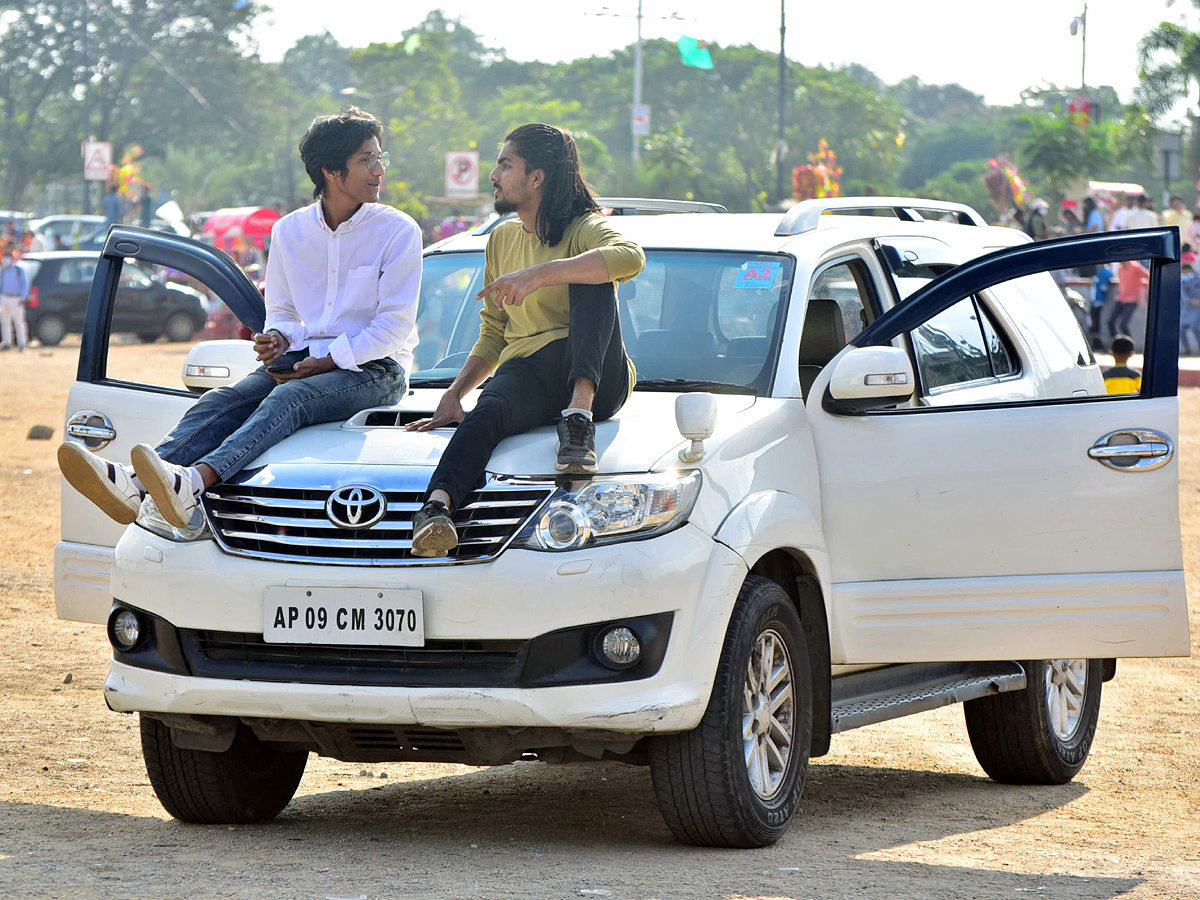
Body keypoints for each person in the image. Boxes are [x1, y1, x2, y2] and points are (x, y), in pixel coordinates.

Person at [57, 106, 421, 529]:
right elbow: (283, 311)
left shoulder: (399, 231)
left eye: (380, 158)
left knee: (288, 399)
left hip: (377, 369)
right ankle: (135, 482)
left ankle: (193, 483)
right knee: (222, 400)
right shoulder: (289, 231)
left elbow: (393, 326)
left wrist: (327, 360)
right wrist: (278, 340)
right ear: (331, 172)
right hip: (305, 362)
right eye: (367, 160)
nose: (380, 170)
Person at [404, 123, 646, 558]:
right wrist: (455, 393)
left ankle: (578, 420)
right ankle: (436, 510)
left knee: (592, 275)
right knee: (486, 414)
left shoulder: (584, 228)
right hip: (530, 371)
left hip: (593, 374)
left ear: (536, 178)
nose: (493, 175)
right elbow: (493, 332)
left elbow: (630, 258)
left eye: (505, 164)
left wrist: (539, 275)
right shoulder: (500, 238)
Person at [1108, 259, 1148, 340]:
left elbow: (1148, 276)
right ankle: (1117, 343)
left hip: (1131, 300)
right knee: (1110, 322)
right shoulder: (1120, 269)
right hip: (1121, 299)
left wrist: (1146, 289)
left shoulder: (1135, 267)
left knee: (1123, 324)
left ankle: (1129, 346)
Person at [0, 246, 30, 352]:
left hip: (16, 299)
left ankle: (22, 344)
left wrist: (23, 297)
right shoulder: (2, 271)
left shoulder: (18, 270)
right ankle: (7, 343)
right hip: (4, 298)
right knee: (5, 322)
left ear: (12, 259)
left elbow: (25, 285)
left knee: (19, 322)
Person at [1089, 262, 1115, 350]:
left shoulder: (1103, 272)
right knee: (1095, 322)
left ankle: (1098, 342)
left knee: (1097, 322)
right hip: (1096, 300)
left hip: (1099, 301)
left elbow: (1104, 287)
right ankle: (1096, 340)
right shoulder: (1100, 271)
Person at [1182, 263, 1200, 356]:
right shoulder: (1183, 281)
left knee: (1194, 327)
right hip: (1187, 308)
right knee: (1181, 328)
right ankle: (1186, 348)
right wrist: (1190, 300)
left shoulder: (1198, 279)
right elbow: (1183, 294)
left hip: (1197, 308)